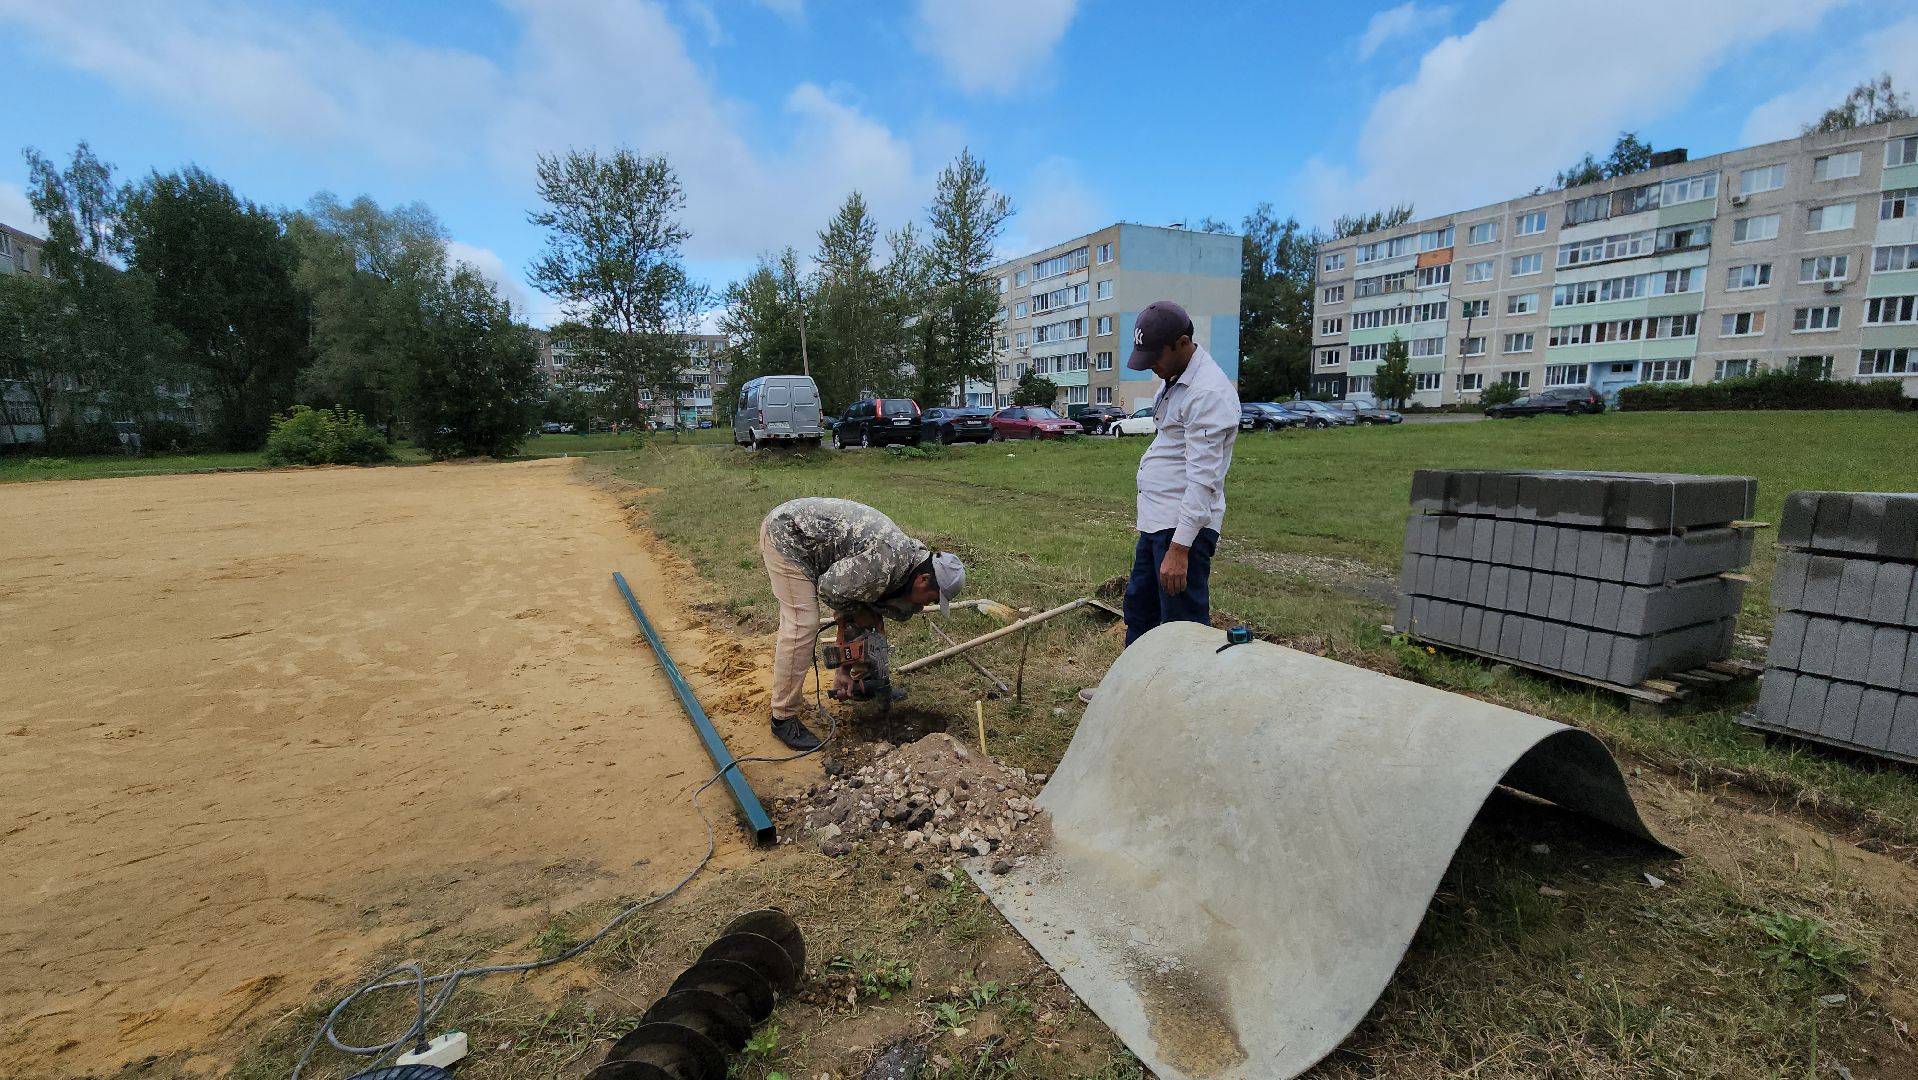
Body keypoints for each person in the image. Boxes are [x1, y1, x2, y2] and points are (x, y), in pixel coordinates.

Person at [759, 497, 966, 750]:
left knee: (865, 609)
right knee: (803, 623)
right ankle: (783, 717)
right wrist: (859, 612)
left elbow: (858, 598)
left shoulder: (909, 564)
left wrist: (845, 670)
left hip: (819, 546)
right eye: (932, 599)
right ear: (923, 580)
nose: (926, 606)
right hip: (790, 535)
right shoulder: (885, 562)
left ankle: (862, 683)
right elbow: (830, 589)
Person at [1119, 300, 1240, 649]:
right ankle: (1130, 694)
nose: (1151, 366)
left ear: (1183, 344)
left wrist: (1179, 549)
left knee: (1181, 629)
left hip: (1180, 530)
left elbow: (1204, 480)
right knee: (1140, 610)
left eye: (1156, 357)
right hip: (1158, 522)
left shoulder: (1208, 393)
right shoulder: (1175, 377)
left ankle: (1177, 703)